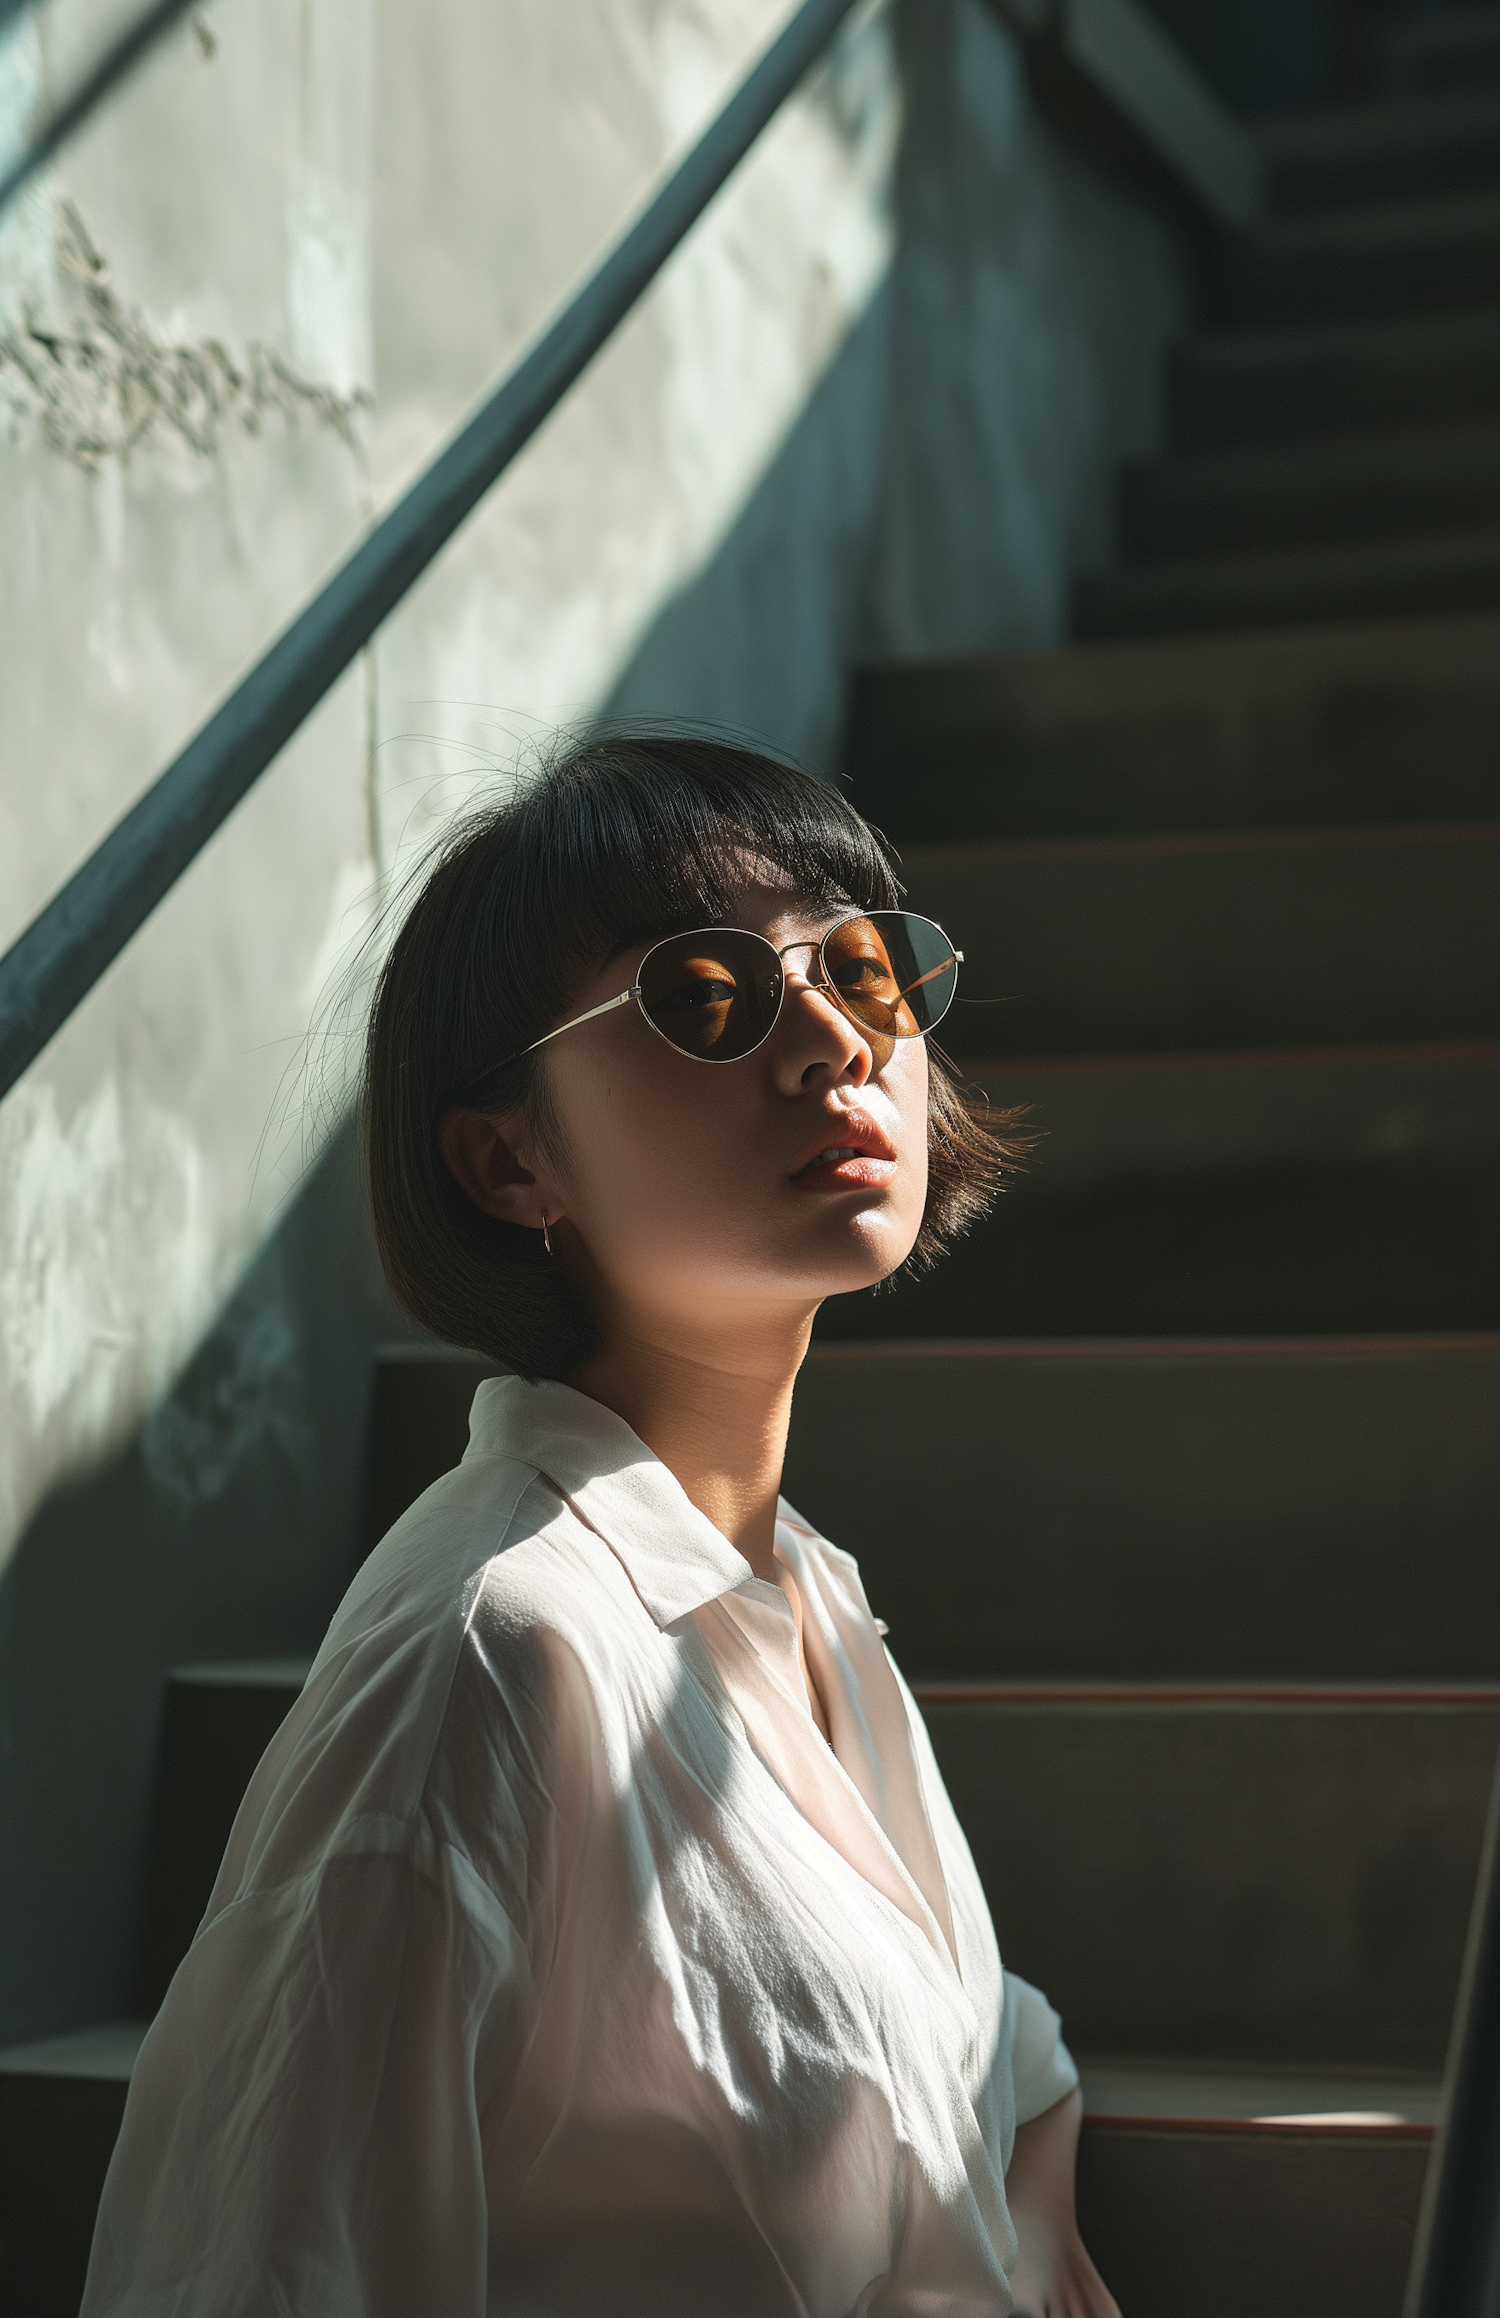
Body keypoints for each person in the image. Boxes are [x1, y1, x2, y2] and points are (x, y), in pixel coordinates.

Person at [83, 736, 1121, 2317]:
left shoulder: (795, 1597)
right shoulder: (490, 1657)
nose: (837, 1037)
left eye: (867, 968)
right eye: (705, 997)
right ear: (510, 1157)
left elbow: (968, 2029)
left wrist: (1031, 2217)